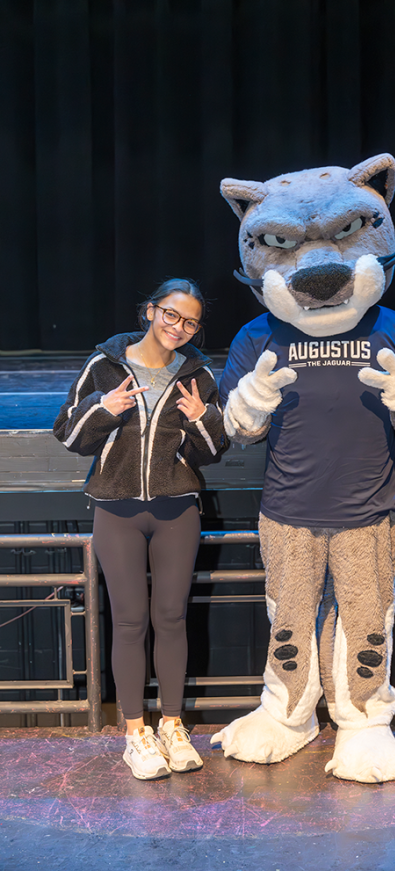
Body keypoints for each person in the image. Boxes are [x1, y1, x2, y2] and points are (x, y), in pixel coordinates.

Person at [54, 278, 228, 780]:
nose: (179, 327)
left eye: (190, 321)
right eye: (171, 315)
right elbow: (68, 433)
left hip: (177, 510)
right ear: (151, 311)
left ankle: (172, 725)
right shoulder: (106, 365)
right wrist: (102, 410)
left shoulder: (196, 372)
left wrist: (200, 420)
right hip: (117, 509)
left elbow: (214, 453)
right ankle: (136, 732)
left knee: (171, 617)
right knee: (129, 620)